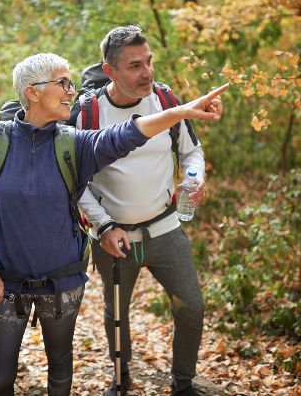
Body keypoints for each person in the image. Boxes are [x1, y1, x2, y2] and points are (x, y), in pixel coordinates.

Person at [0, 52, 227, 396]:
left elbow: (124, 135)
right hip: (6, 281)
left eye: (70, 83)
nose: (71, 92)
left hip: (63, 282)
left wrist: (180, 111)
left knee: (60, 373)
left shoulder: (72, 142)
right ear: (32, 92)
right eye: (62, 83)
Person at [68, 25, 224, 396]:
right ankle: (120, 381)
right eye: (135, 65)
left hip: (165, 229)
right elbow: (74, 183)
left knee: (192, 307)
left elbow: (191, 152)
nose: (147, 72)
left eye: (149, 61)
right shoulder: (88, 114)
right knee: (117, 315)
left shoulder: (167, 100)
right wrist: (104, 226)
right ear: (110, 71)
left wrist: (193, 176)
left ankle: (183, 383)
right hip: (114, 239)